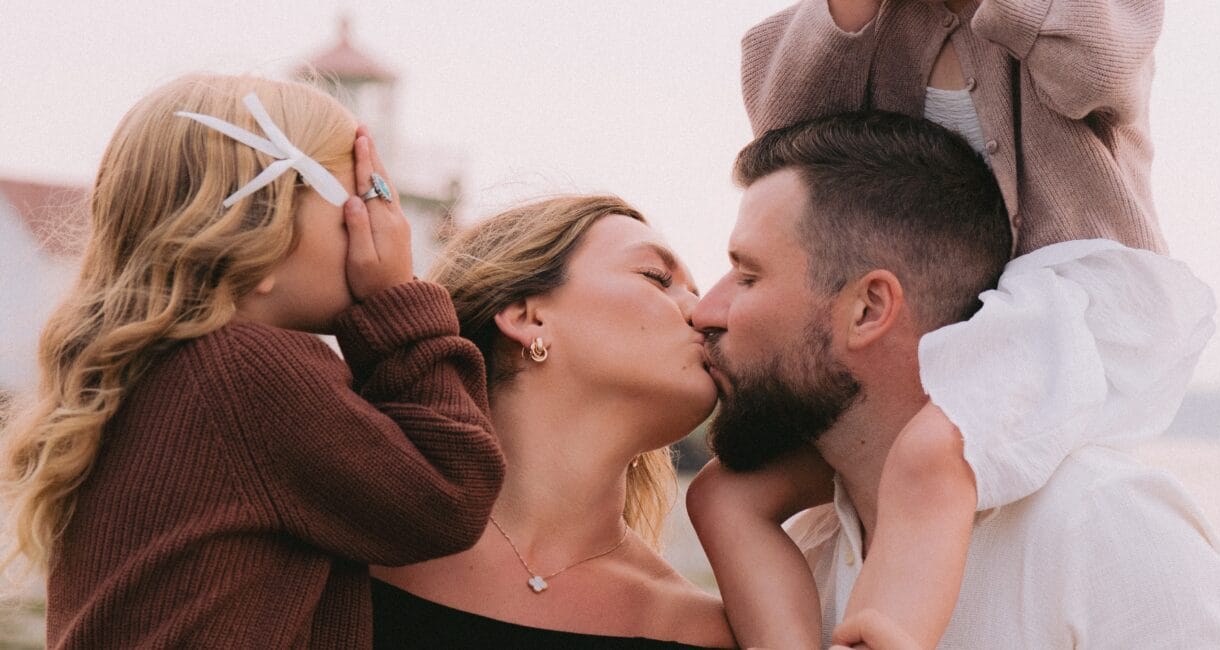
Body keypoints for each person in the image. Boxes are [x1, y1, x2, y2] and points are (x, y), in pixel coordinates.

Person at [693, 0, 1220, 645]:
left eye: (747, 277)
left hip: (1076, 303)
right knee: (726, 494)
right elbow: (788, 136)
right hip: (953, 306)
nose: (704, 309)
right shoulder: (825, 538)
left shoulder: (1102, 525)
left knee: (932, 455)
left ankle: (889, 631)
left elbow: (1097, 63)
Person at [0, 74, 506, 648]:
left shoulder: (144, 370)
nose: (383, 229)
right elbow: (447, 496)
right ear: (262, 228)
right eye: (361, 202)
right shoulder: (245, 372)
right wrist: (399, 302)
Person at [369, 195, 735, 649]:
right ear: (527, 315)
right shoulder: (354, 542)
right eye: (657, 279)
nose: (703, 314)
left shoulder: (702, 632)